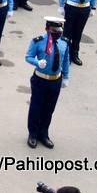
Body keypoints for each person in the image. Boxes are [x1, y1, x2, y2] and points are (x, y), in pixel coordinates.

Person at [25, 16, 70, 149]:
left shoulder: (64, 43)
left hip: (55, 80)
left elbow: (66, 61)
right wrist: (37, 62)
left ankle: (44, 133)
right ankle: (32, 133)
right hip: (40, 79)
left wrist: (66, 77)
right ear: (47, 29)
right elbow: (28, 57)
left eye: (59, 29)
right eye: (54, 30)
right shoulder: (38, 41)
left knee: (49, 109)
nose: (57, 32)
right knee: (36, 107)